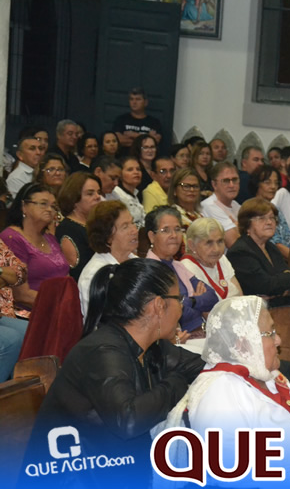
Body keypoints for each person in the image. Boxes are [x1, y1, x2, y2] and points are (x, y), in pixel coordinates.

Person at [29, 258, 203, 487]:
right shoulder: (102, 350)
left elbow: (202, 367)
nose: (182, 308)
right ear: (159, 305)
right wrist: (177, 382)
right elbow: (128, 420)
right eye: (179, 299)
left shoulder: (150, 345)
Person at [158, 296, 290, 487]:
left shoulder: (269, 376)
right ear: (243, 344)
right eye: (270, 333)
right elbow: (232, 474)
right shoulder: (219, 393)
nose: (278, 340)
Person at [145, 206, 218, 334]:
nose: (174, 235)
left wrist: (190, 301)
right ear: (152, 236)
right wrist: (198, 305)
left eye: (177, 229)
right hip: (178, 339)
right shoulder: (149, 271)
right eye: (166, 230)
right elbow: (173, 313)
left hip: (200, 333)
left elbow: (212, 297)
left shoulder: (178, 266)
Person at [0, 183, 69, 317]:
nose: (49, 209)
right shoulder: (12, 238)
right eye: (43, 204)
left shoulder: (49, 237)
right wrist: (62, 306)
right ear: (24, 206)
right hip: (30, 314)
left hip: (60, 308)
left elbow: (65, 274)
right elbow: (21, 295)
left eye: (53, 206)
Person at [227, 198, 290, 307]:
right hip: (254, 312)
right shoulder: (240, 252)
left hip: (279, 309)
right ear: (247, 224)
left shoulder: (271, 247)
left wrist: (280, 291)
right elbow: (266, 286)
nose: (269, 222)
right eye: (261, 218)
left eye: (272, 218)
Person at [78, 201, 139, 319]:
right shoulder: (95, 274)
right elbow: (99, 322)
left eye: (132, 223)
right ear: (108, 237)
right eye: (125, 226)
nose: (134, 230)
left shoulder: (135, 261)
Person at [56, 173, 102, 281]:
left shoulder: (96, 224)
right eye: (90, 193)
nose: (98, 197)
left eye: (99, 192)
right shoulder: (68, 229)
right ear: (74, 198)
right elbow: (80, 271)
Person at [182, 218, 242, 301]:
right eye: (209, 243)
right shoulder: (186, 268)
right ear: (192, 245)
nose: (216, 249)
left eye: (220, 241)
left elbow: (240, 296)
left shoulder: (221, 258)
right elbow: (205, 308)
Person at [248, 165, 290, 259]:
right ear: (257, 184)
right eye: (267, 182)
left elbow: (289, 238)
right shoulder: (251, 209)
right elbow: (273, 245)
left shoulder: (276, 209)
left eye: (276, 183)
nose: (273, 187)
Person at [0, 239, 29, 381]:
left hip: (5, 314)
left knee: (30, 331)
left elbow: (20, 272)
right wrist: (5, 275)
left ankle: (18, 388)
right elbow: (12, 276)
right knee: (12, 339)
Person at [200, 162, 241, 248]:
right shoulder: (209, 206)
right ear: (214, 185)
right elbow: (234, 243)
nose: (231, 185)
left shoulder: (236, 205)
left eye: (234, 180)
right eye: (226, 181)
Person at [109, 156, 146, 228]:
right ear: (120, 174)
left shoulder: (135, 193)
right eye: (130, 170)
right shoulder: (116, 194)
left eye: (138, 169)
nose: (136, 172)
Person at [168, 167, 203, 236]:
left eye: (195, 186)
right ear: (174, 190)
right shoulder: (172, 217)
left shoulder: (200, 216)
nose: (192, 190)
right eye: (186, 186)